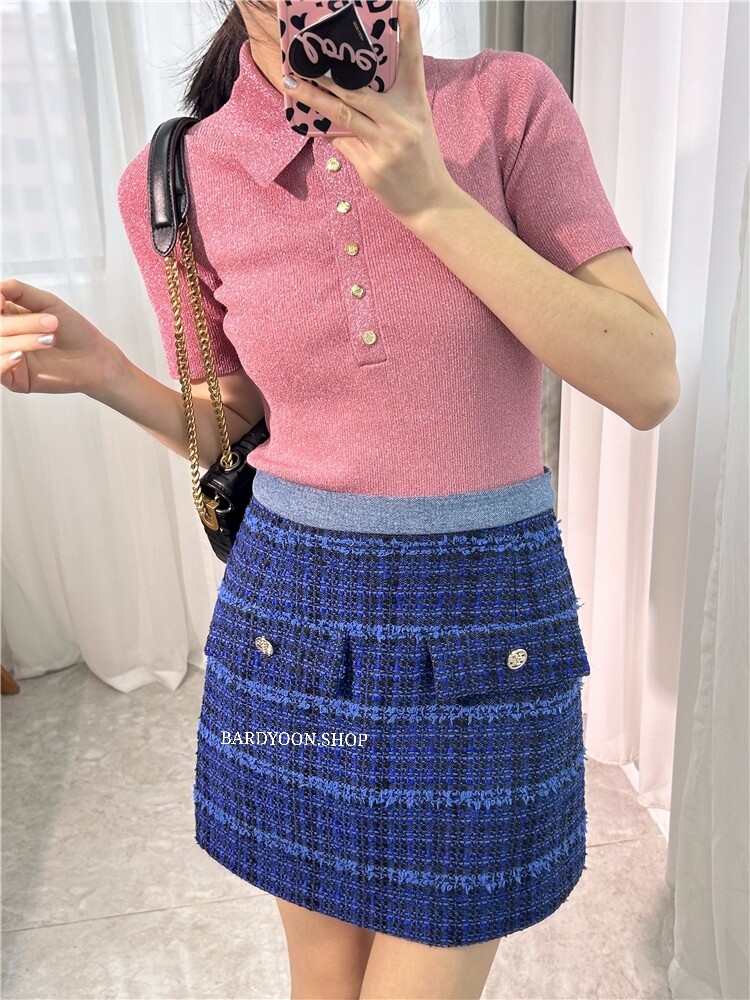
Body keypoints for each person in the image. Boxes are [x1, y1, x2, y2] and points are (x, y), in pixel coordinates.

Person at [1, 1, 680, 997]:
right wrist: (107, 372)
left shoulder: (504, 104)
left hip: (488, 617)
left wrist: (432, 200)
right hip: (291, 626)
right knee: (323, 976)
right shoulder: (179, 176)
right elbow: (230, 417)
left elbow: (648, 380)